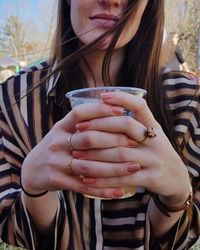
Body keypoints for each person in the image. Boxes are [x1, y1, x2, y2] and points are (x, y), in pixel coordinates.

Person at [0, 1, 199, 249]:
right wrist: (33, 188)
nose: (112, 0)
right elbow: (14, 231)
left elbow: (181, 237)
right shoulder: (13, 99)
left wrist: (178, 194)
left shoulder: (189, 101)